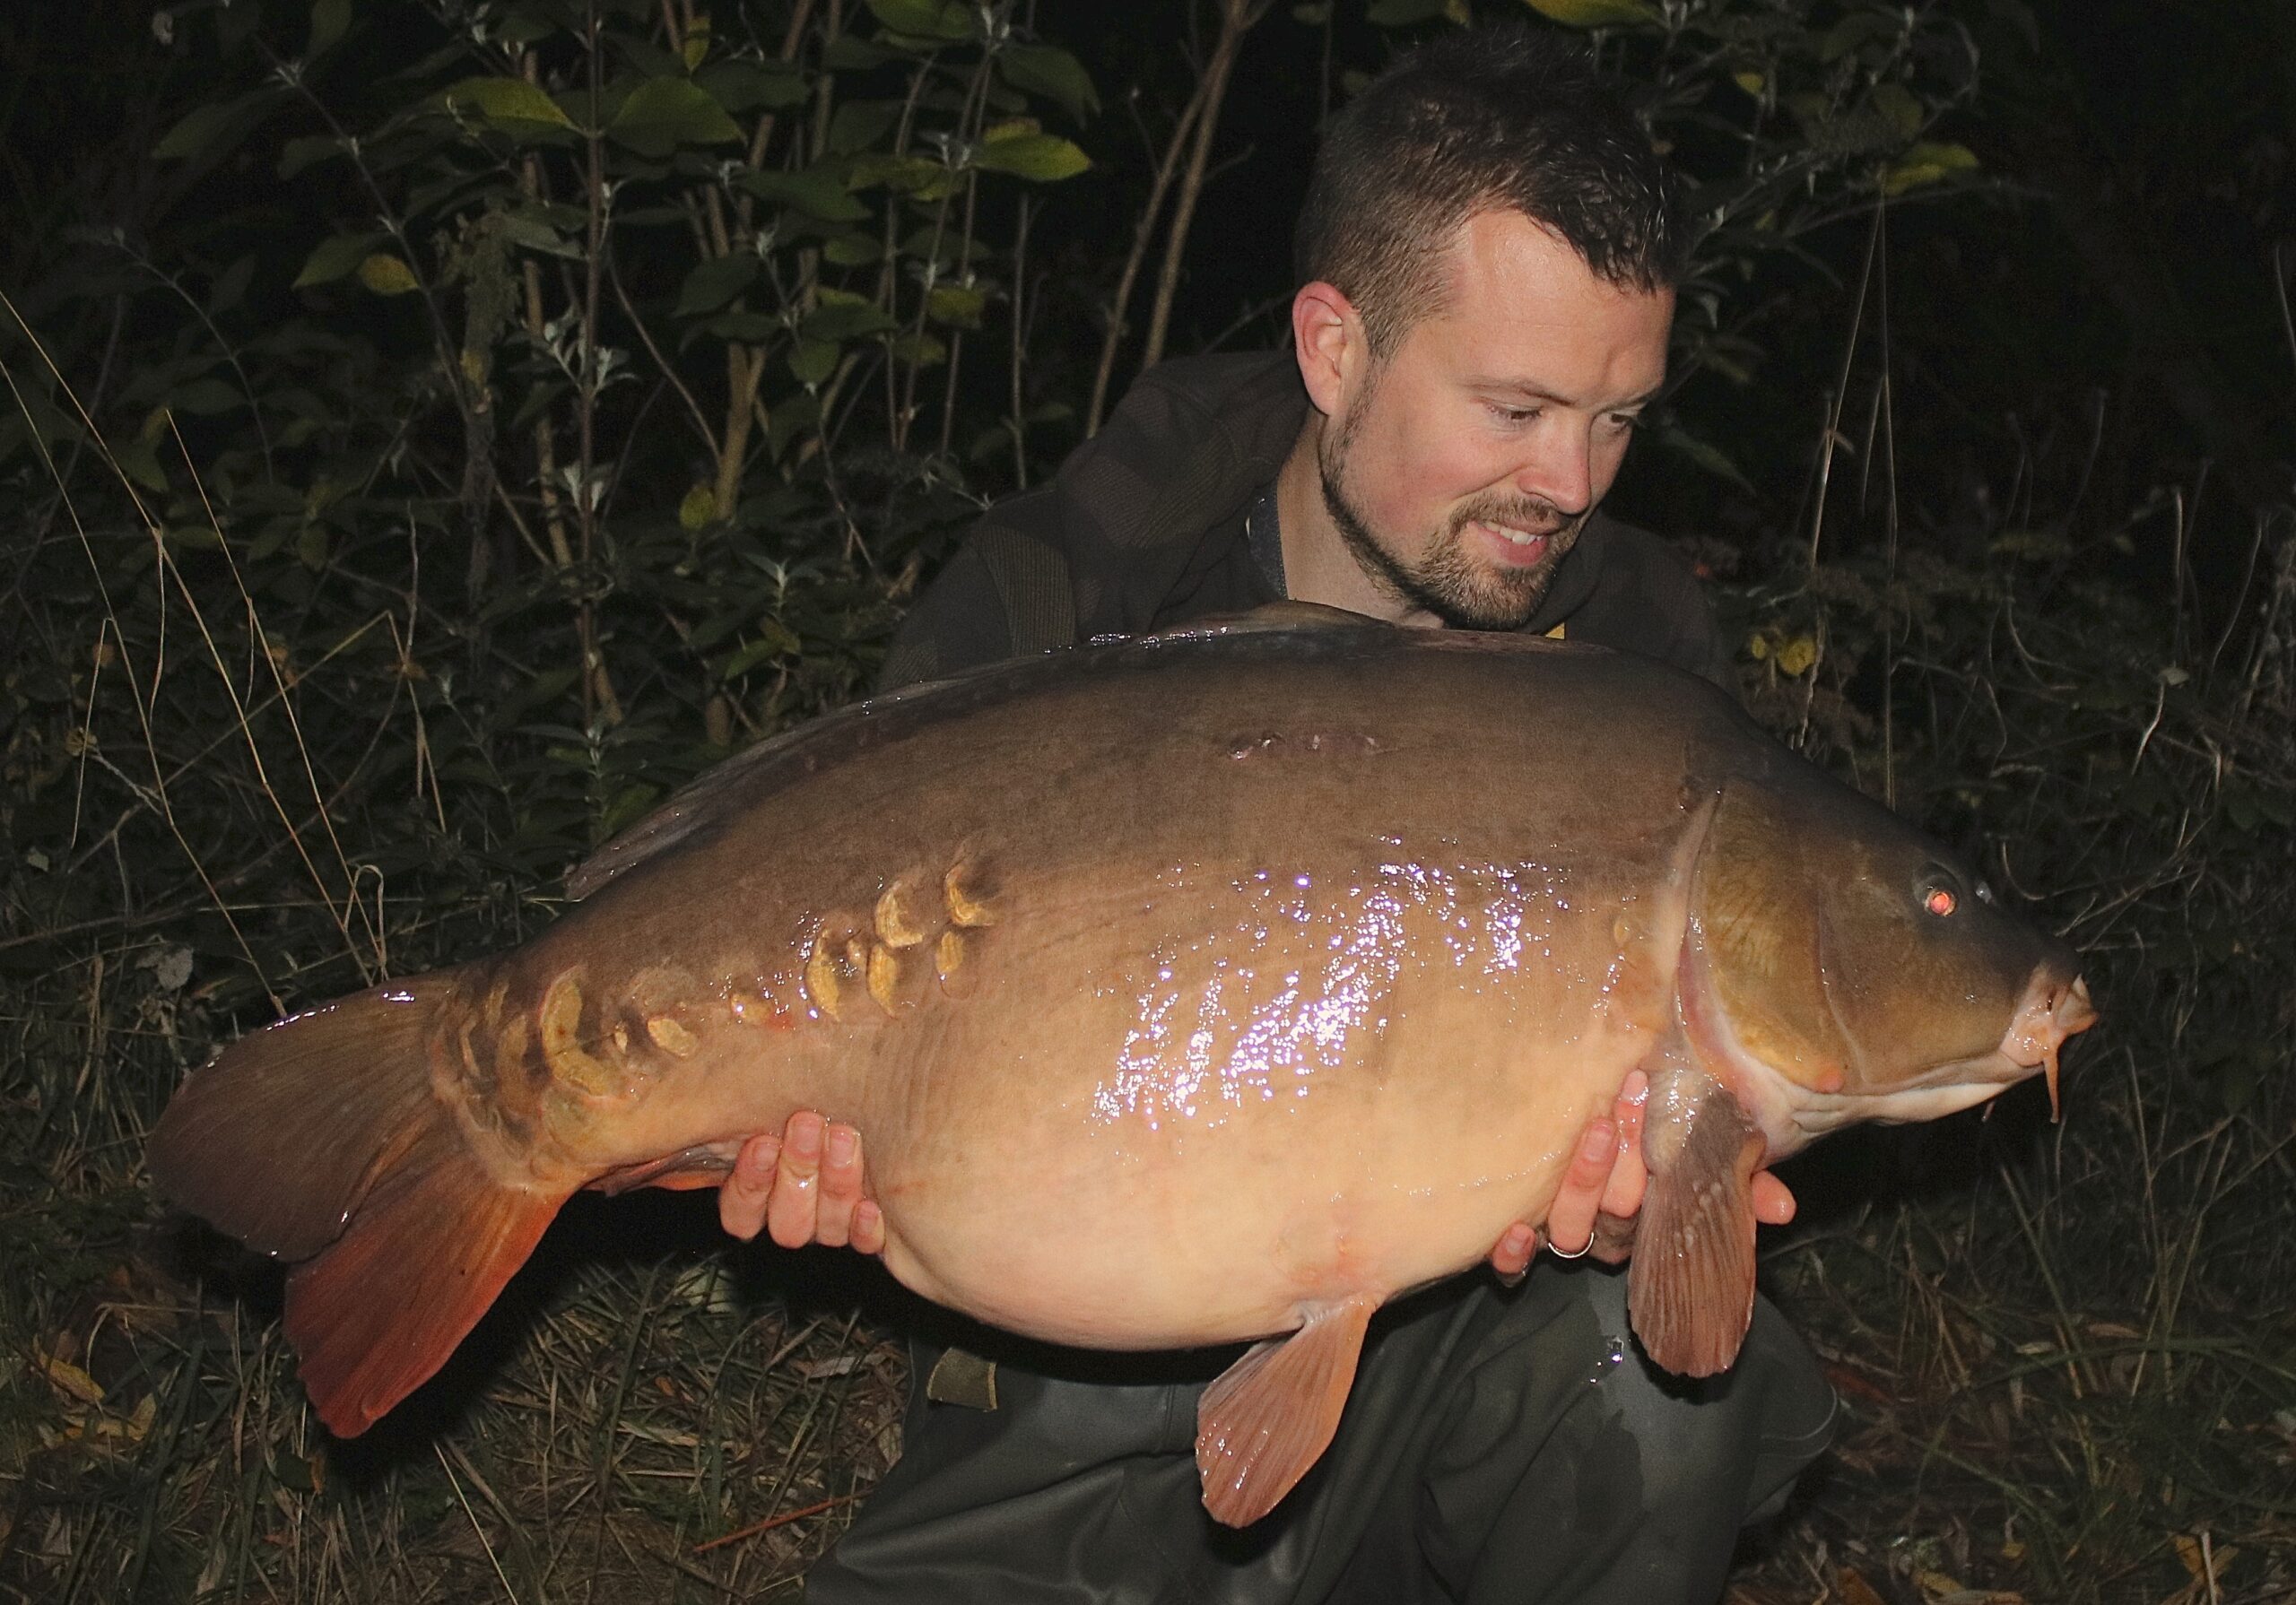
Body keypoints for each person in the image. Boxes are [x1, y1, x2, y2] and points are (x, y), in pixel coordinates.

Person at [717, 26, 1835, 1603]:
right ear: (1334, 350)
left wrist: (1632, 1205)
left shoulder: (1633, 651)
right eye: (1516, 408)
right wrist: (805, 1135)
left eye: (1616, 418)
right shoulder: (1078, 584)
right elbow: (838, 951)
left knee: (1646, 1382)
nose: (1573, 483)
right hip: (1082, 1373)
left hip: (1451, 1349)